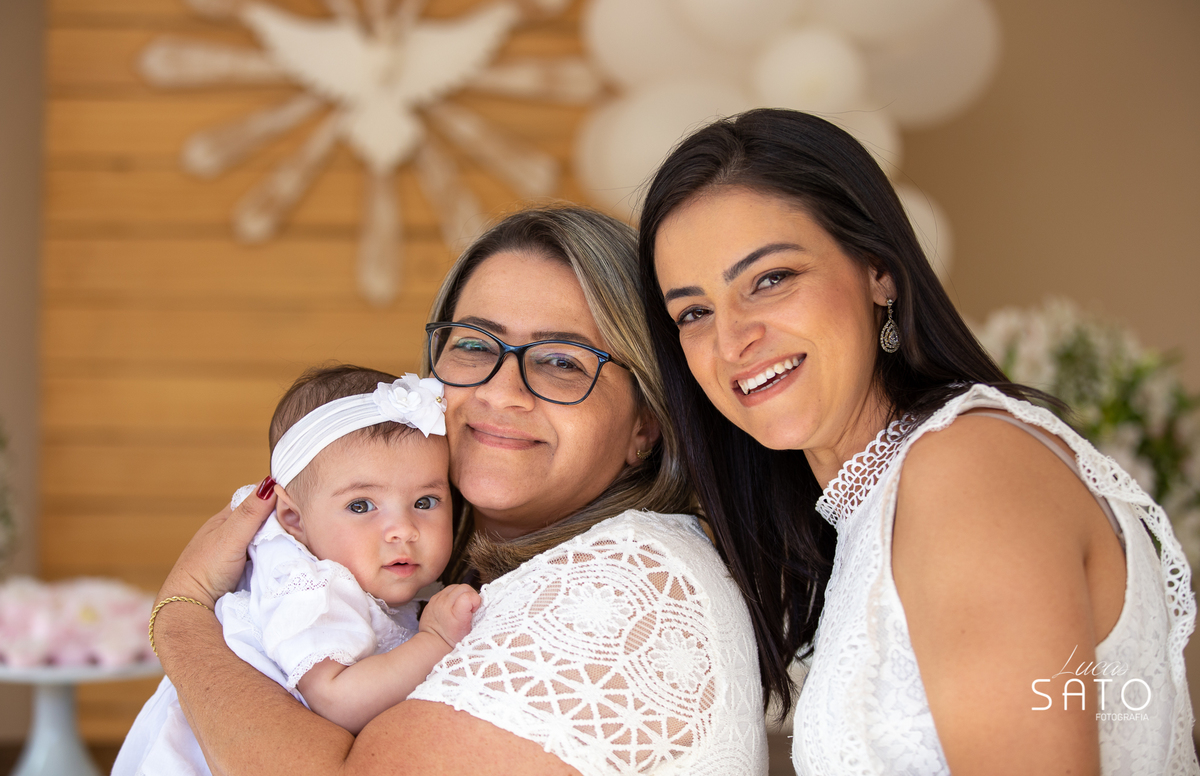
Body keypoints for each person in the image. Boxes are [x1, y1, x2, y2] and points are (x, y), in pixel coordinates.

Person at [637, 107, 1200, 775]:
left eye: (770, 279)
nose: (731, 341)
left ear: (880, 271)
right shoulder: (872, 512)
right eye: (694, 312)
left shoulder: (967, 468)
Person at [145, 206, 767, 775]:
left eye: (561, 360)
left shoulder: (628, 585)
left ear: (645, 425)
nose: (501, 392)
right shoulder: (449, 572)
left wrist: (182, 613)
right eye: (474, 345)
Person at [115, 365, 481, 775]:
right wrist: (434, 640)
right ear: (292, 519)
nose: (404, 530)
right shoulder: (307, 586)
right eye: (361, 505)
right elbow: (337, 700)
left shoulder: (365, 580)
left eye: (426, 502)